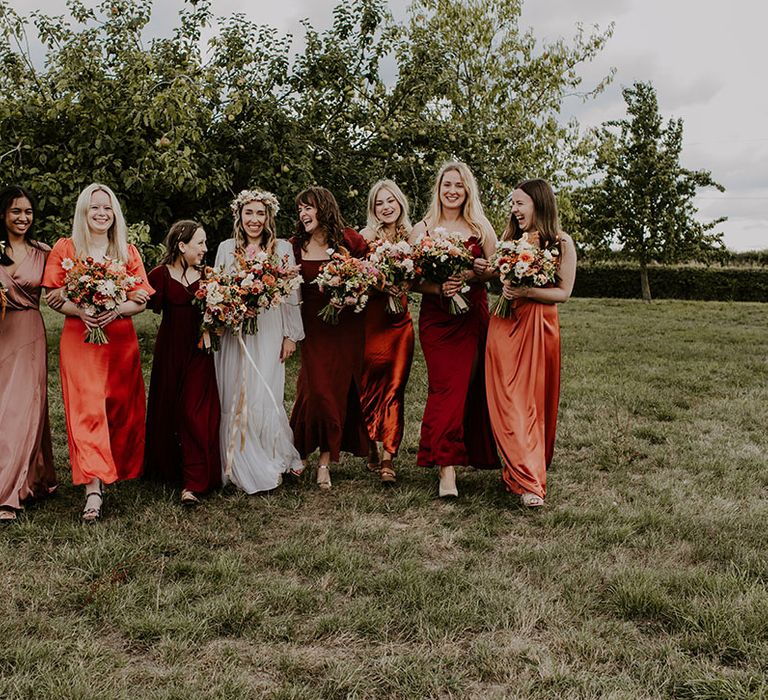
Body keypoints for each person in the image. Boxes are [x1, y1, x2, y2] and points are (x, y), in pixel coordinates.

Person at [42, 183, 153, 522]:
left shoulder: (127, 251)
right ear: (83, 212)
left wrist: (117, 308)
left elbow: (141, 297)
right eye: (94, 208)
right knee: (87, 409)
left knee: (119, 408)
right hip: (81, 340)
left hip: (120, 341)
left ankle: (113, 465)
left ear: (114, 212)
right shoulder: (66, 247)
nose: (101, 213)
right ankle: (93, 488)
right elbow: (53, 294)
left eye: (107, 208)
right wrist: (80, 311)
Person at [483, 179, 577, 507]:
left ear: (538, 203)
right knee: (507, 400)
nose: (514, 209)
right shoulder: (510, 240)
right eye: (512, 203)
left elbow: (563, 293)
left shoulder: (561, 242)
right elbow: (499, 277)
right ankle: (518, 466)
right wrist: (506, 286)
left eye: (519, 203)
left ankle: (530, 480)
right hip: (505, 324)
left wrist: (527, 291)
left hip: (539, 326)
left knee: (531, 401)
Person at [409, 161, 499, 498]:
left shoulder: (479, 226)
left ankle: (469, 453)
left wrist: (474, 274)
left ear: (467, 191)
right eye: (447, 184)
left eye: (459, 186)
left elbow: (495, 270)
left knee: (467, 388)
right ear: (438, 188)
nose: (452, 191)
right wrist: (438, 288)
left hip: (472, 316)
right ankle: (446, 469)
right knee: (445, 388)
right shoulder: (423, 229)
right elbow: (411, 280)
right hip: (437, 319)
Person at [214, 190, 304, 493]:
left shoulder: (282, 249)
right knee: (234, 389)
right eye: (249, 213)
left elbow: (292, 296)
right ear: (239, 215)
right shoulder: (226, 249)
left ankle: (270, 454)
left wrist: (291, 334)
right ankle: (235, 460)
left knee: (265, 389)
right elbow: (219, 290)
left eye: (260, 214)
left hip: (268, 327)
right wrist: (235, 308)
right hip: (236, 331)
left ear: (269, 218)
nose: (254, 220)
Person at [289, 186, 369, 490]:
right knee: (312, 389)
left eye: (309, 207)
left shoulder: (350, 240)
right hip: (311, 327)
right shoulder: (295, 245)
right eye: (299, 210)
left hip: (345, 328)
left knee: (334, 391)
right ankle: (301, 451)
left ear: (324, 209)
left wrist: (351, 295)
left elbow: (371, 275)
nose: (303, 214)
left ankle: (323, 460)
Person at [144, 220, 222, 504]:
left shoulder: (209, 277)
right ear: (181, 246)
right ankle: (168, 468)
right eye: (199, 243)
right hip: (169, 351)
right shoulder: (160, 275)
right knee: (169, 407)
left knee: (195, 411)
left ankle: (194, 482)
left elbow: (223, 312)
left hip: (200, 351)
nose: (205, 248)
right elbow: (140, 301)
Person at [0, 186, 57, 522]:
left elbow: (62, 290)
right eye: (15, 211)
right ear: (3, 214)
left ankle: (8, 493)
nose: (23, 218)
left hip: (29, 333)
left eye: (28, 212)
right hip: (1, 332)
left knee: (22, 409)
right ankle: (31, 477)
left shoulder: (43, 252)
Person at [359, 179, 415, 484]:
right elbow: (355, 276)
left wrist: (405, 283)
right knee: (369, 387)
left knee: (395, 389)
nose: (386, 207)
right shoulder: (365, 238)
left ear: (400, 203)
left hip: (400, 324)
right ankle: (370, 442)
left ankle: (389, 456)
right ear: (373, 208)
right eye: (379, 203)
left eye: (390, 201)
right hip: (371, 320)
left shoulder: (413, 236)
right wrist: (381, 282)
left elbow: (421, 274)